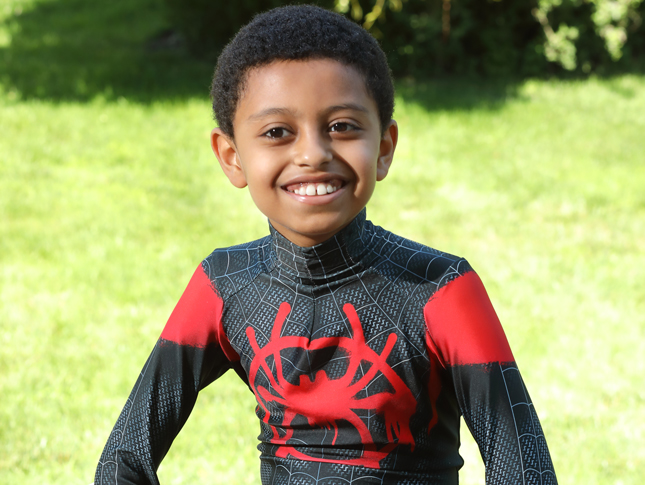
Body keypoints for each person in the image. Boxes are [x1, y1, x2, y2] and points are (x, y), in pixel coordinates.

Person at [94, 5, 557, 485]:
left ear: (384, 147)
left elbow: (524, 470)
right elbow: (122, 461)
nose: (313, 153)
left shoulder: (443, 290)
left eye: (342, 126)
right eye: (277, 132)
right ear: (232, 157)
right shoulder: (222, 285)